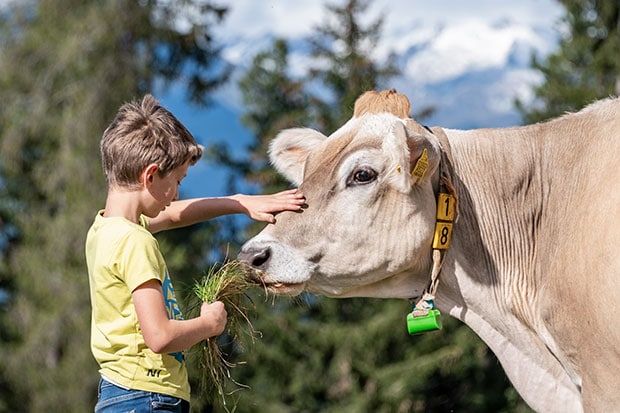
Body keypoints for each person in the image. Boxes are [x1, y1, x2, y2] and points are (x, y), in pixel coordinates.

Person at [85, 94, 305, 413]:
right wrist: (209, 324)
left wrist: (240, 202)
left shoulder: (105, 229)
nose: (176, 194)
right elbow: (159, 336)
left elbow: (174, 214)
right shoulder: (136, 241)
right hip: (148, 398)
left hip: (122, 393)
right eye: (176, 181)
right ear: (149, 176)